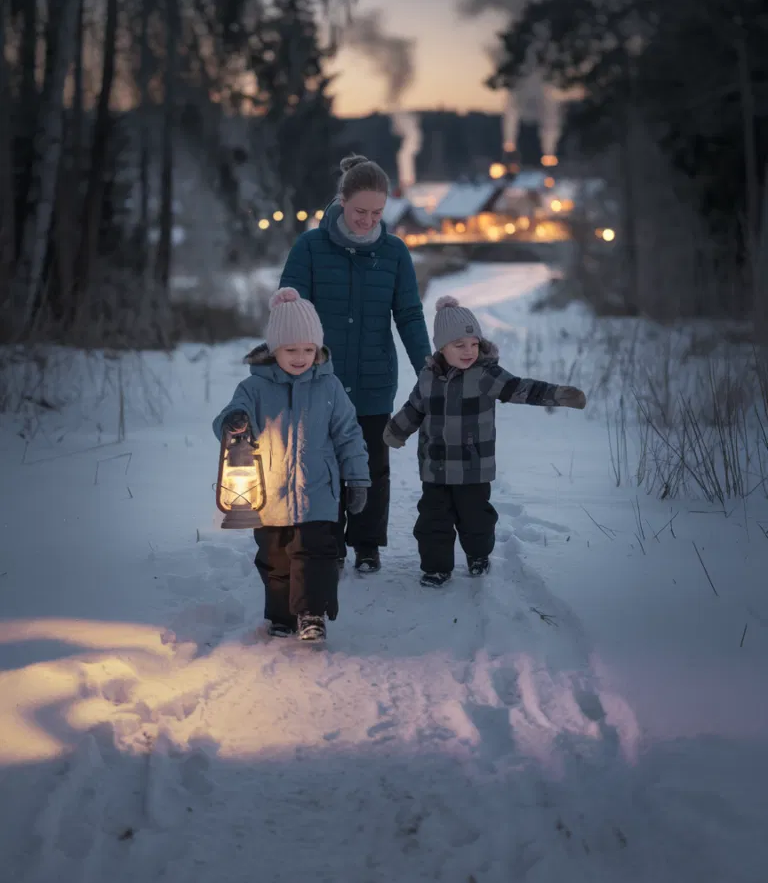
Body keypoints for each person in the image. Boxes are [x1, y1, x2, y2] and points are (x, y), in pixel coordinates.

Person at [279, 154, 431, 575]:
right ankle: (325, 543)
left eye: (377, 212)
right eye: (360, 210)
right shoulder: (310, 246)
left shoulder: (395, 252)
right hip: (318, 381)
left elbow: (410, 315)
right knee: (322, 467)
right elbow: (290, 305)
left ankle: (366, 544)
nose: (368, 220)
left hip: (373, 380)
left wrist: (429, 369)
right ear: (341, 200)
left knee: (371, 467)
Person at [383, 296, 587, 588]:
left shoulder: (485, 375)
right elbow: (414, 408)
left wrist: (559, 394)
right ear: (442, 347)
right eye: (459, 345)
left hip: (472, 467)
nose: (469, 351)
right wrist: (396, 430)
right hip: (435, 468)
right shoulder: (428, 377)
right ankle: (436, 568)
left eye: (474, 344)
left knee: (475, 521)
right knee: (432, 523)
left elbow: (521, 389)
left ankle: (478, 555)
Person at [212, 288, 370, 641]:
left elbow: (349, 435)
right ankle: (282, 615)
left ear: (318, 350)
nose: (301, 358)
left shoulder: (329, 387)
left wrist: (357, 478)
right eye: (292, 350)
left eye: (309, 350)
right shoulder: (253, 388)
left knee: (315, 555)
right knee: (275, 561)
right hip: (268, 494)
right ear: (274, 349)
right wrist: (233, 422)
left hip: (319, 494)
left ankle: (312, 614)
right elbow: (226, 420)